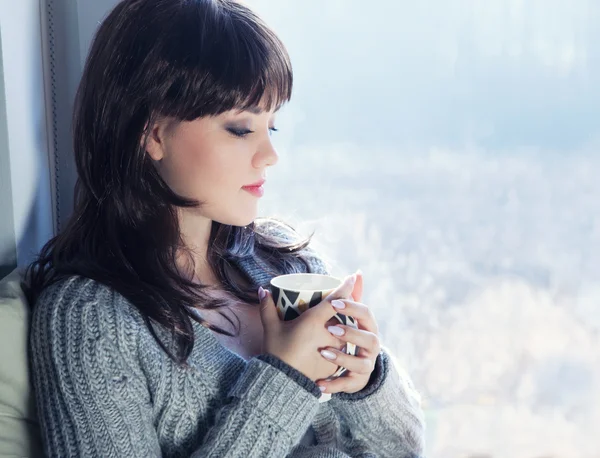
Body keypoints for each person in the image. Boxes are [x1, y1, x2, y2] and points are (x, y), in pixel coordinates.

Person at [23, 0, 425, 456]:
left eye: (271, 126)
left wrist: (367, 383)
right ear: (152, 133)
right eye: (240, 129)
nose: (269, 155)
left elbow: (405, 450)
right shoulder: (90, 322)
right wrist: (284, 379)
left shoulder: (292, 266)